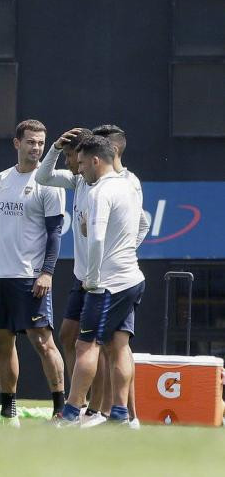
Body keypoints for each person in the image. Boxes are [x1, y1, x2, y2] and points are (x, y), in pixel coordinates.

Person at [0, 119, 66, 425]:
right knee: (0, 342)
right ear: (17, 143)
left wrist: (47, 272)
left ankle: (61, 408)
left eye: (40, 143)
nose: (36, 148)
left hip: (30, 277)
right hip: (0, 278)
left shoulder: (48, 183)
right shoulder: (0, 180)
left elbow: (55, 233)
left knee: (43, 342)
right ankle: (10, 410)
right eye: (31, 142)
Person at [57, 135, 146, 427]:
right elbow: (142, 224)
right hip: (131, 278)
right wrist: (125, 253)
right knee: (119, 346)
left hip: (107, 284)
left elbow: (94, 238)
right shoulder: (130, 185)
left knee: (87, 346)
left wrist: (93, 279)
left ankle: (70, 414)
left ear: (96, 161)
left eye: (81, 163)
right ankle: (121, 415)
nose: (79, 169)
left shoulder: (98, 192)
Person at [34, 127, 99, 416]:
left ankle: (100, 407)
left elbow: (139, 227)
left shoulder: (105, 186)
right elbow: (42, 176)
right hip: (81, 277)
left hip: (100, 279)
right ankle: (82, 401)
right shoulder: (78, 181)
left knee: (100, 346)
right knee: (67, 334)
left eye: (71, 156)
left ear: (86, 155)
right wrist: (56, 148)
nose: (69, 163)